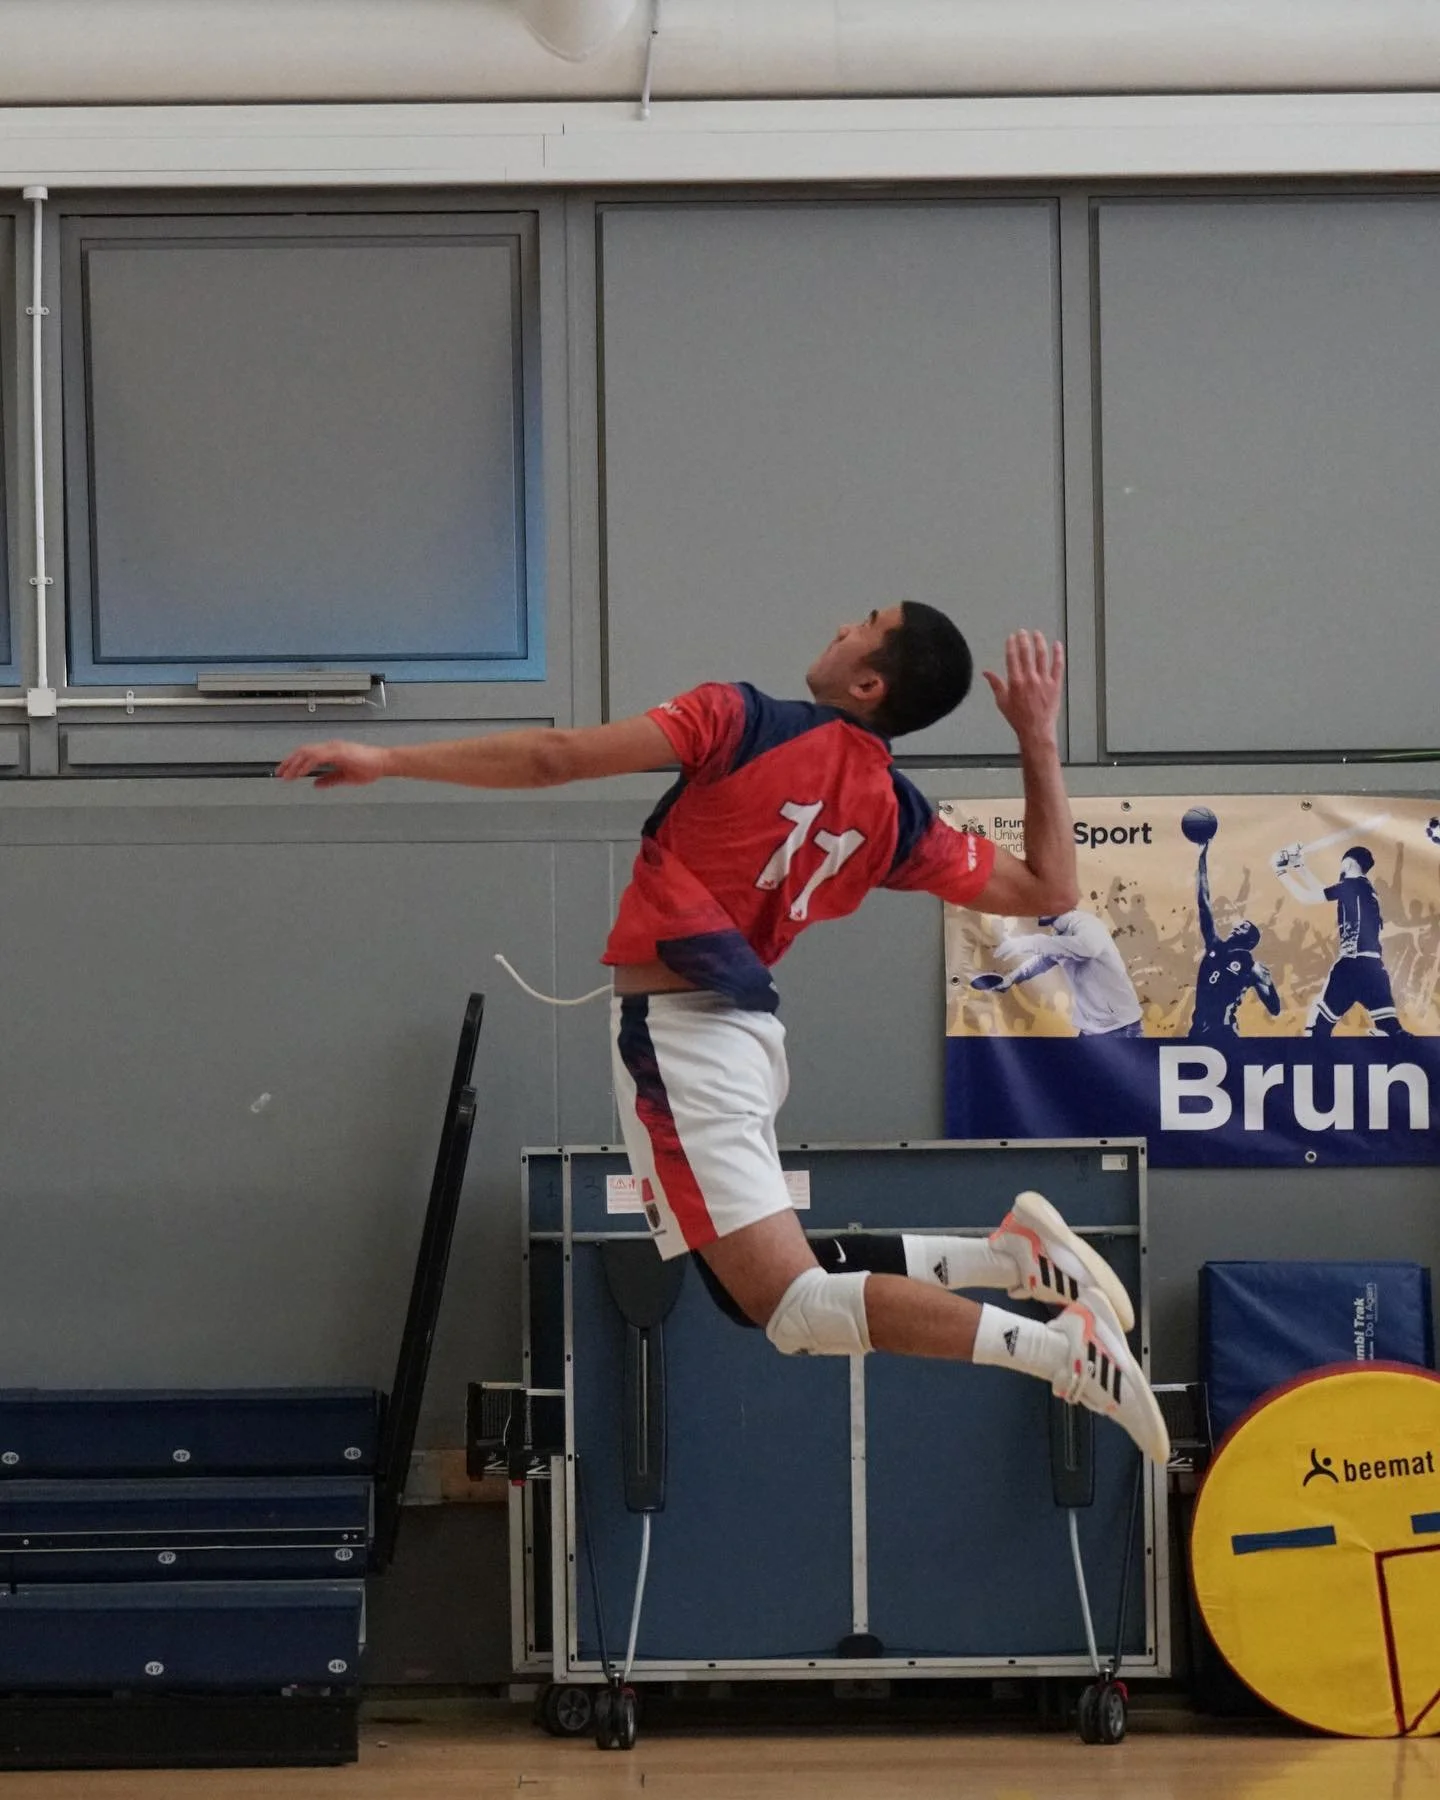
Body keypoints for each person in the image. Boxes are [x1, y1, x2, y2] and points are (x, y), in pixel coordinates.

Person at [277, 608, 1168, 1463]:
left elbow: (556, 756)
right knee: (745, 1295)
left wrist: (386, 757)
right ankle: (1009, 1257)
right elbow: (1051, 890)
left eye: (863, 624)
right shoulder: (896, 815)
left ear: (868, 682)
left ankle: (1061, 1350)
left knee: (795, 1310)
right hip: (731, 1038)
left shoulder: (737, 719)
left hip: (686, 1045)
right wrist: (1036, 737)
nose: (840, 626)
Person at [1274, 842, 1406, 1037]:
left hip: (1351, 965)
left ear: (1349, 864)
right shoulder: (1364, 888)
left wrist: (1280, 871)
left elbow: (1307, 898)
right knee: (1391, 1029)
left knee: (1317, 1028)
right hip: (1374, 968)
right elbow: (1322, 891)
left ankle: (1314, 1051)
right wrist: (1299, 866)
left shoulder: (1352, 885)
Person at [973, 908, 1144, 1037]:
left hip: (1121, 1027)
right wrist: (1010, 978)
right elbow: (1042, 960)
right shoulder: (1059, 934)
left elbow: (1087, 948)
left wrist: (1028, 943)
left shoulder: (1088, 924)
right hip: (1090, 1029)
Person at [1189, 840, 1280, 1037]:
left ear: (1250, 941)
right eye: (1240, 924)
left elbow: (1275, 1009)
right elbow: (1203, 901)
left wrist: (1269, 984)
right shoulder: (1214, 944)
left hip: (1225, 1033)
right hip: (1198, 1031)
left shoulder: (1250, 965)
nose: (1238, 926)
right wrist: (1201, 858)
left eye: (1244, 927)